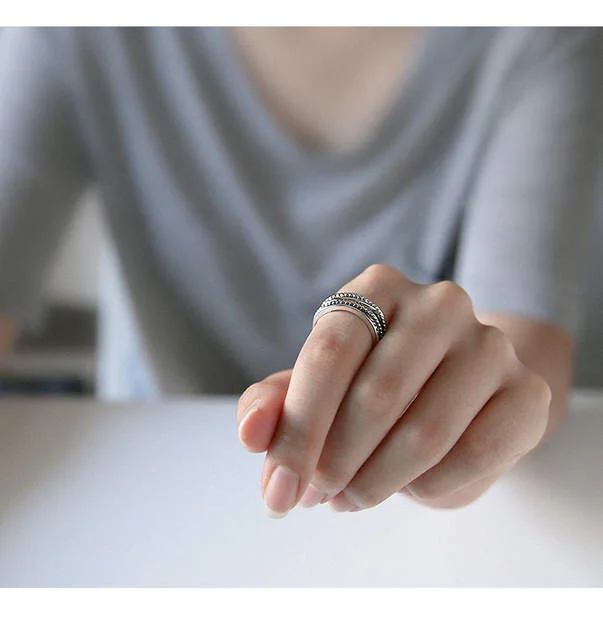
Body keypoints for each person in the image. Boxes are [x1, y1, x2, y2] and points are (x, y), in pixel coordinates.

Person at [0, 27, 602, 517]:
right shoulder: (68, 28)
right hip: (142, 503)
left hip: (422, 528)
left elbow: (526, 358)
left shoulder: (542, 34)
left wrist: (488, 415)